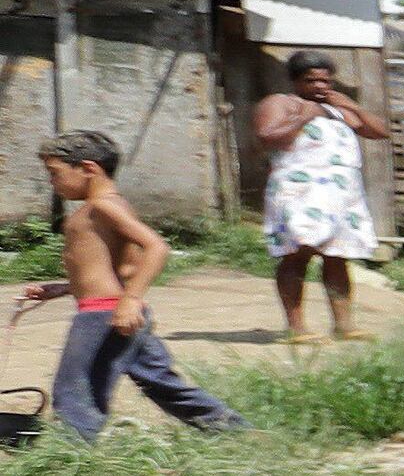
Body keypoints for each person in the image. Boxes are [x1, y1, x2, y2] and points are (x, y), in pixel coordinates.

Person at [24, 131, 248, 439]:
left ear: (89, 169)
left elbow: (156, 247)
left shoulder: (103, 206)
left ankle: (72, 453)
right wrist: (63, 288)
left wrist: (130, 300)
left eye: (55, 174)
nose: (52, 182)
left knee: (77, 387)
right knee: (161, 382)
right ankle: (233, 430)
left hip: (103, 316)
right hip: (115, 312)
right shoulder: (97, 208)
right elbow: (116, 268)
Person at [248, 51, 396, 340]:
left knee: (337, 256)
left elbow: (380, 132)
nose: (319, 86)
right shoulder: (281, 103)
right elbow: (267, 136)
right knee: (297, 256)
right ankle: (296, 328)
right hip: (299, 192)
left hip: (340, 194)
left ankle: (344, 325)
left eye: (324, 81)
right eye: (310, 80)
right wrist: (303, 117)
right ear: (295, 80)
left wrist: (351, 105)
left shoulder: (337, 109)